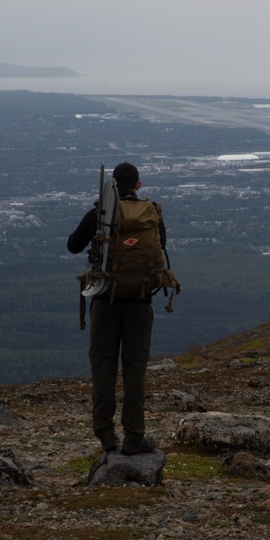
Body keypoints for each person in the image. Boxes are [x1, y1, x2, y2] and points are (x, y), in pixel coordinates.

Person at [67, 162, 165, 455]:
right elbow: (162, 251)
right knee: (135, 371)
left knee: (103, 367)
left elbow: (73, 245)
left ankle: (107, 436)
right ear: (138, 185)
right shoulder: (152, 214)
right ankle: (134, 437)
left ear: (112, 185)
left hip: (104, 301)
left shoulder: (100, 214)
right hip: (140, 303)